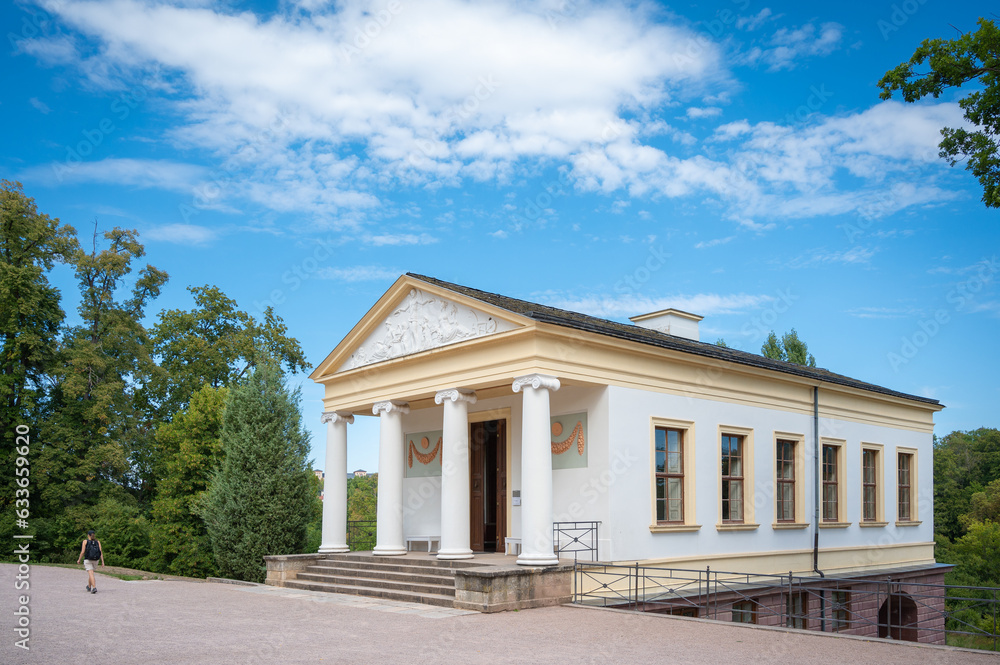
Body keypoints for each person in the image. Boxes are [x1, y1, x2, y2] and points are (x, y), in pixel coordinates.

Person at [77, 530, 104, 594]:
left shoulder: (85, 541)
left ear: (88, 535)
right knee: (91, 573)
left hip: (88, 559)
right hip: (96, 560)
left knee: (91, 573)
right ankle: (89, 586)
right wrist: (102, 561)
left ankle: (94, 587)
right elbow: (100, 552)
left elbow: (83, 552)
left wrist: (79, 559)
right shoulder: (98, 542)